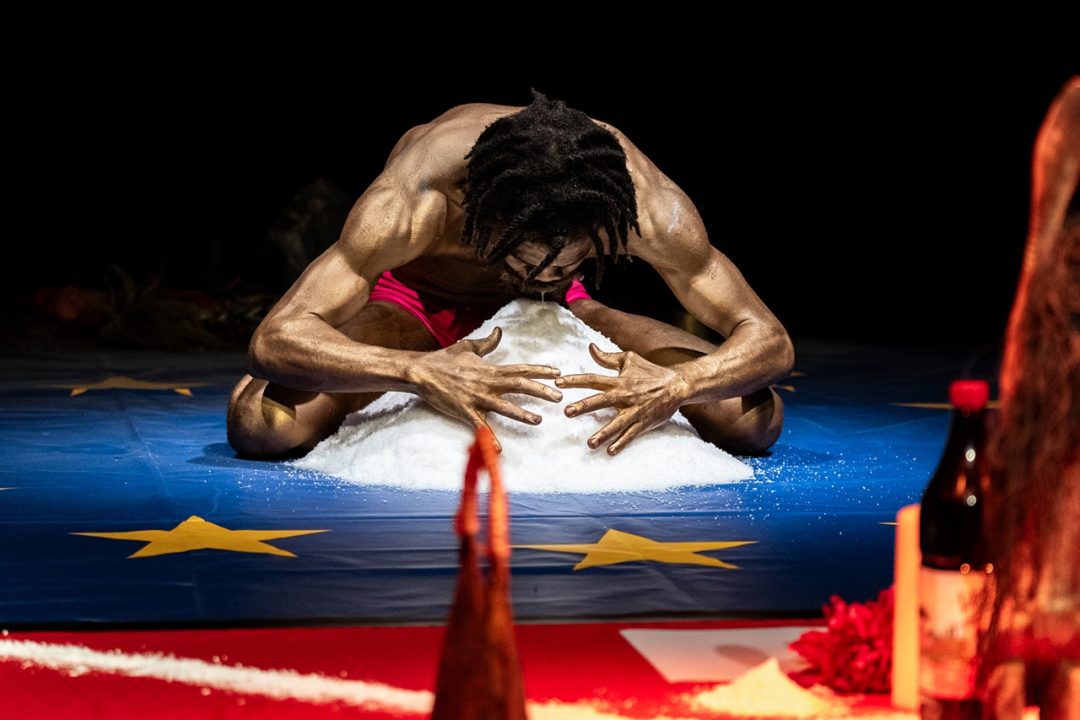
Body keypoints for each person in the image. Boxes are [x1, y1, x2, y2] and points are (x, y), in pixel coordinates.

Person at [227, 93, 794, 459]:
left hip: (563, 316)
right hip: (419, 307)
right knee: (263, 424)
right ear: (480, 213)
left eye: (569, 259)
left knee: (752, 420)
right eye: (524, 260)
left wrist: (678, 385)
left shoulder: (641, 203)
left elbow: (768, 338)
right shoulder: (421, 195)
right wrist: (416, 371)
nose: (542, 274)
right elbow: (275, 337)